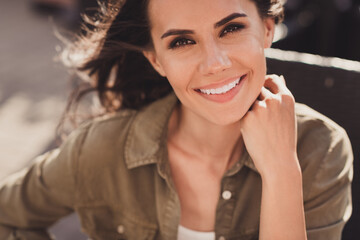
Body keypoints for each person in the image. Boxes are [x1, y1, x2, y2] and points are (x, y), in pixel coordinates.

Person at [0, 0, 353, 239]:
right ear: (156, 60)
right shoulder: (102, 149)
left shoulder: (320, 149)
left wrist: (280, 171)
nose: (215, 63)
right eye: (182, 41)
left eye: (230, 29)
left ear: (267, 29)